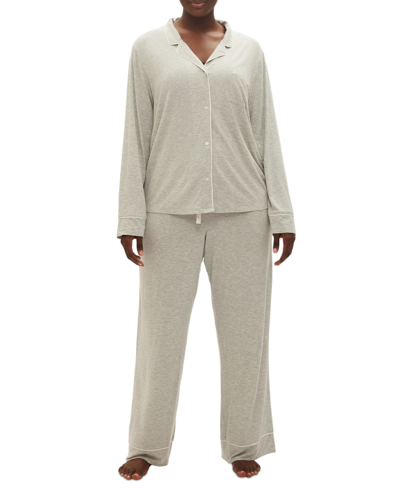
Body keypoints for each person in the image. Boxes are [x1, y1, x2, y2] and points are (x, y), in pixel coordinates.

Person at [117, 0, 296, 480]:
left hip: (244, 211)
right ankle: (146, 445)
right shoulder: (148, 49)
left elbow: (266, 131)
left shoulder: (249, 51)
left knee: (246, 337)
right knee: (159, 337)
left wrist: (281, 212)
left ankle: (245, 442)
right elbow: (136, 133)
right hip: (167, 212)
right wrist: (131, 216)